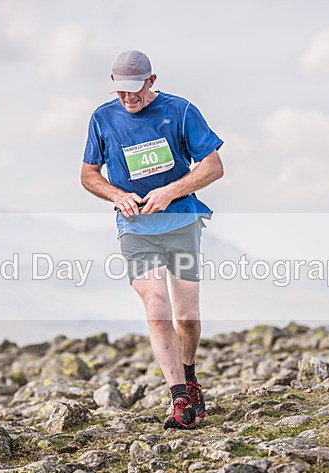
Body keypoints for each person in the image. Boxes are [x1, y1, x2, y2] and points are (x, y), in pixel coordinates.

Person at [81, 51, 224, 429]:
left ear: (152, 80)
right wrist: (116, 195)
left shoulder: (180, 111)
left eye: (136, 90)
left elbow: (213, 166)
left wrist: (170, 192)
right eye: (121, 91)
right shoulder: (102, 118)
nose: (129, 98)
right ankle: (179, 399)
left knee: (187, 318)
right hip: (135, 228)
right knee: (156, 305)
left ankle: (189, 376)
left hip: (181, 222)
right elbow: (88, 174)